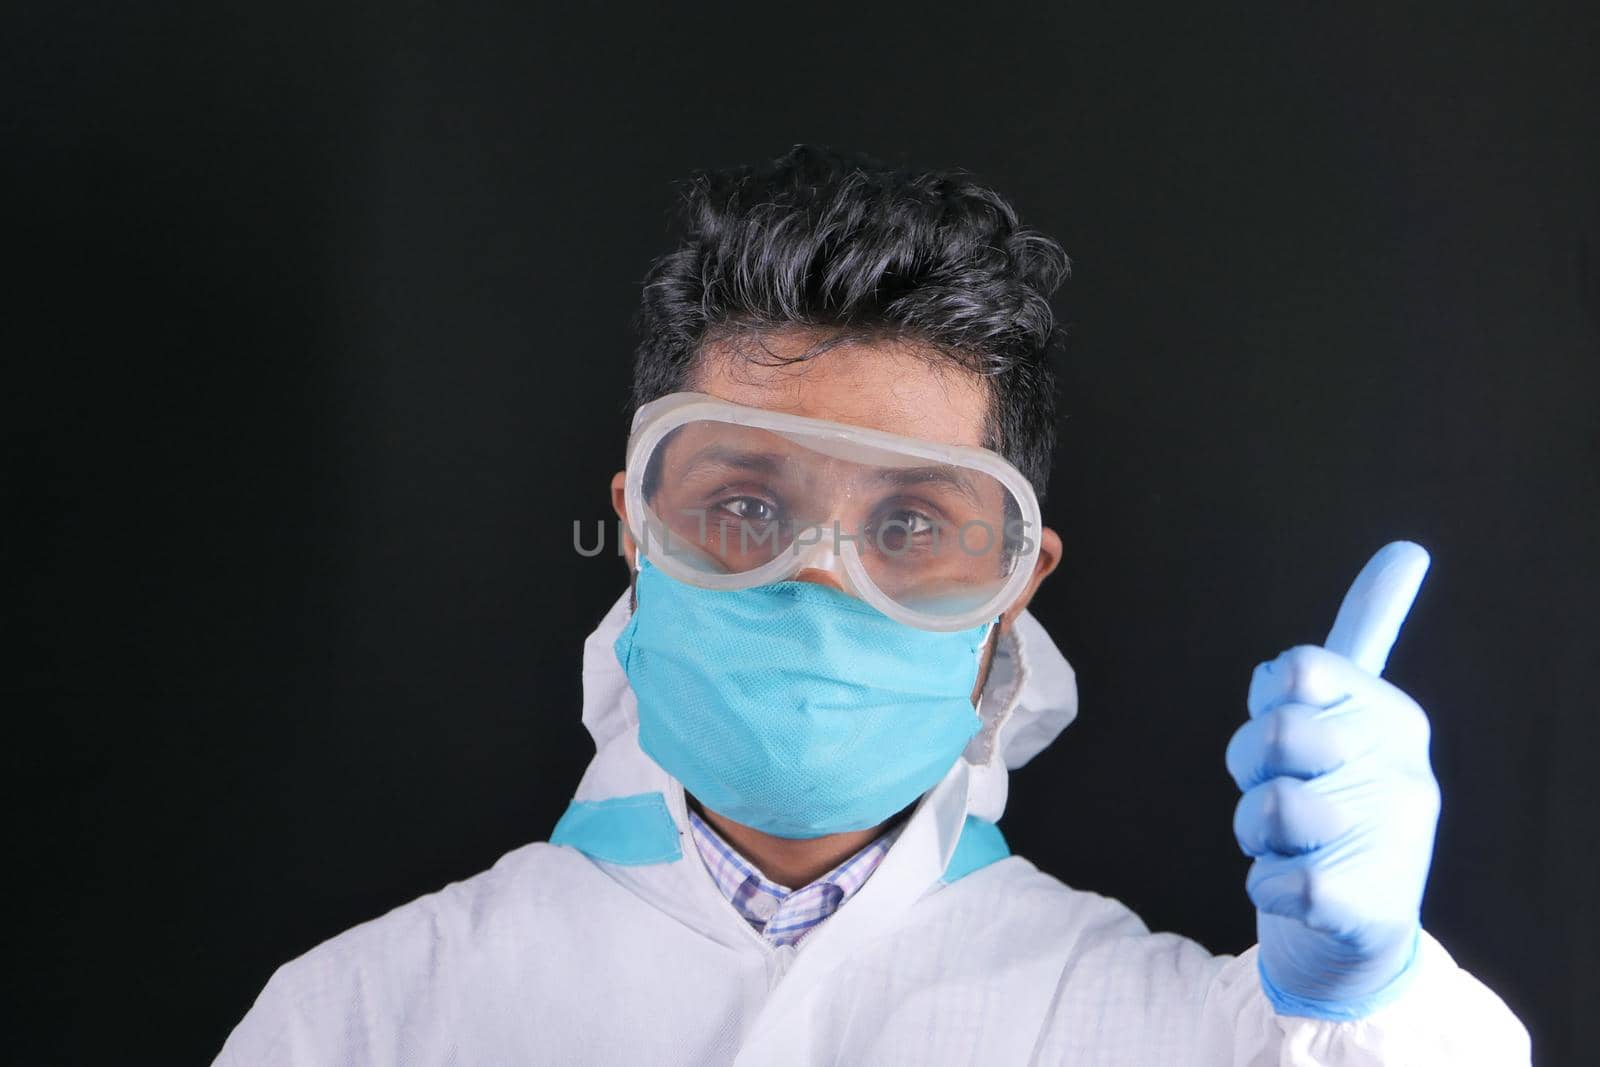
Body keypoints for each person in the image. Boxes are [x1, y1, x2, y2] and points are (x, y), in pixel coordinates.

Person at [217, 145, 1528, 1064]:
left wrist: (1368, 1001)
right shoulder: (362, 1023)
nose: (820, 573)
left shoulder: (1177, 1031)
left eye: (912, 523)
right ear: (635, 527)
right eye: (743, 505)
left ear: (1016, 586)